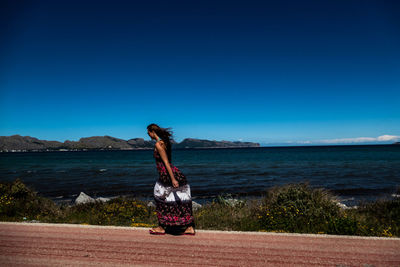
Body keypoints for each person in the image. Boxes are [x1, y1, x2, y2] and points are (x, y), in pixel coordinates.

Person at [147, 123, 196, 235]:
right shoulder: (165, 142)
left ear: (152, 132)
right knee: (180, 199)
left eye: (148, 133)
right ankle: (189, 226)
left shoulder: (159, 145)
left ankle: (162, 226)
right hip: (167, 173)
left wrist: (173, 179)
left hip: (167, 175)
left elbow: (166, 163)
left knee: (160, 197)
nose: (148, 135)